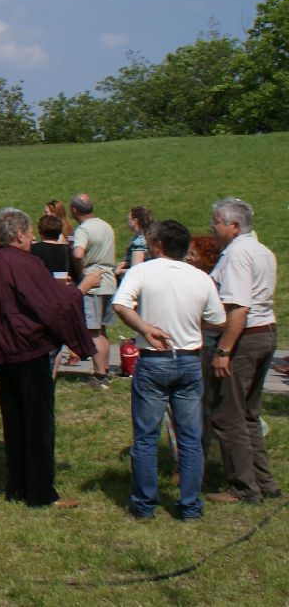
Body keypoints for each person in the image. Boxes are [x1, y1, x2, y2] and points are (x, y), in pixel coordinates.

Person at [0, 208, 96, 509]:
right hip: (28, 352)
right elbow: (53, 305)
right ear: (19, 234)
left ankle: (17, 486)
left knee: (14, 420)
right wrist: (83, 288)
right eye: (30, 232)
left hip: (3, 355)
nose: (33, 237)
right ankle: (40, 492)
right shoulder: (24, 264)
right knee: (37, 423)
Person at [112, 220, 224, 520]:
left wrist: (146, 328)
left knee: (146, 436)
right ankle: (189, 505)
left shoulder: (141, 272)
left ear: (158, 244)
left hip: (154, 358)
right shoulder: (200, 278)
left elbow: (121, 305)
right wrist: (190, 323)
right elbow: (217, 318)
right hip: (189, 358)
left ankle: (145, 504)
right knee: (190, 437)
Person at [205, 198, 280, 504]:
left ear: (234, 227)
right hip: (266, 333)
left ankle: (242, 487)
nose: (212, 227)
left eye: (216, 222)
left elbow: (238, 307)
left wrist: (224, 350)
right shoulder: (261, 249)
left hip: (244, 338)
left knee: (228, 415)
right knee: (249, 414)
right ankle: (264, 481)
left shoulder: (237, 254)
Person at [67, 193, 118, 388]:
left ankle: (99, 374)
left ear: (74, 210)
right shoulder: (105, 225)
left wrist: (81, 274)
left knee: (92, 331)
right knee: (102, 329)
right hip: (109, 280)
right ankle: (104, 368)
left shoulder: (83, 229)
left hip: (93, 280)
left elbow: (78, 253)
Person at [31, 214, 74, 285]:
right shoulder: (67, 250)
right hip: (62, 291)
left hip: (42, 289)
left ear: (40, 231)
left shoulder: (33, 249)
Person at [116, 205, 152, 278]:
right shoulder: (150, 237)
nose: (127, 222)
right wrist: (127, 262)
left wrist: (119, 271)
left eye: (129, 219)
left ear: (135, 221)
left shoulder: (139, 242)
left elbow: (136, 271)